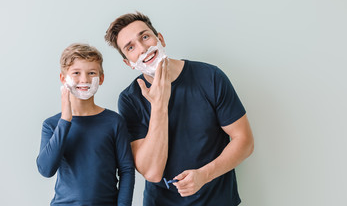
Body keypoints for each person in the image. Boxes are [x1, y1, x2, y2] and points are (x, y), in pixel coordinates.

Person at [104, 12, 254, 206]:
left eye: (145, 36)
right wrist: (159, 106)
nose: (143, 48)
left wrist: (204, 175)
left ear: (160, 39)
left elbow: (245, 141)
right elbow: (151, 172)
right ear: (129, 63)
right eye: (131, 47)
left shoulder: (210, 77)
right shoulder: (130, 99)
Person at [36, 43, 135, 206]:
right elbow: (46, 170)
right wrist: (65, 120)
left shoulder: (114, 122)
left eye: (91, 73)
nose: (84, 80)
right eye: (76, 73)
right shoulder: (52, 125)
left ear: (101, 78)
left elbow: (126, 170)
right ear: (63, 78)